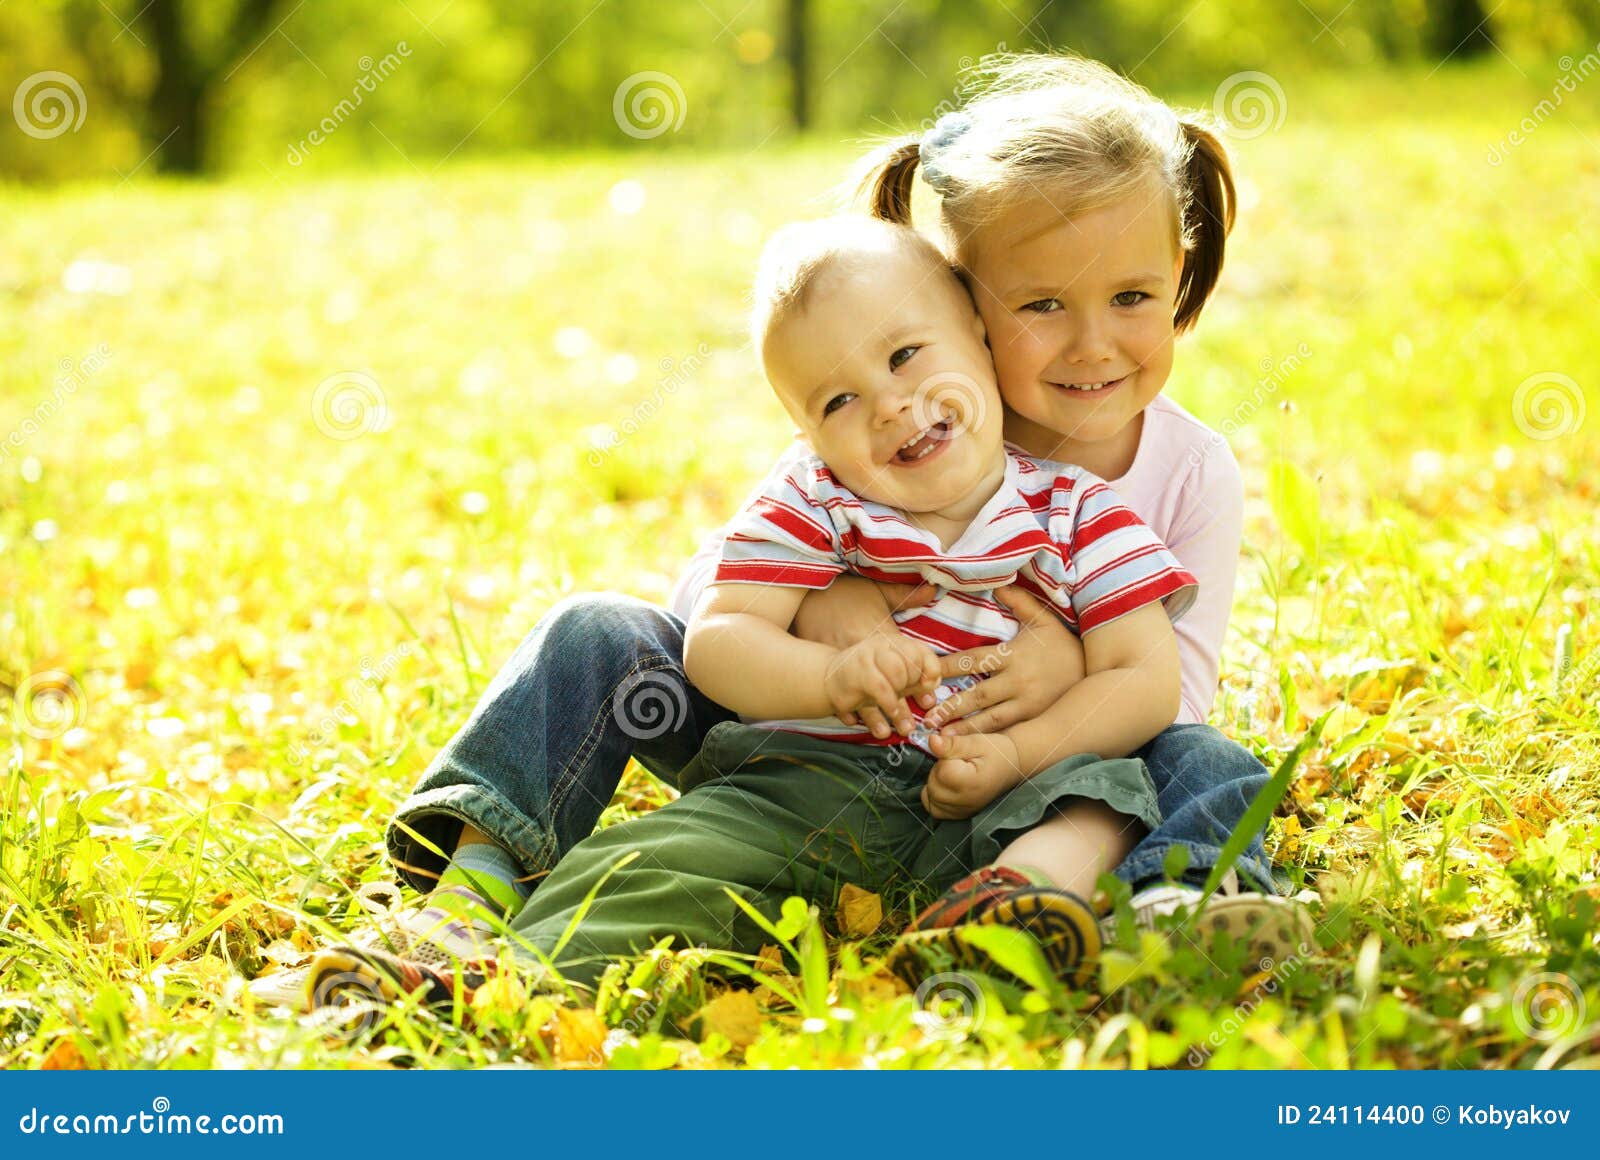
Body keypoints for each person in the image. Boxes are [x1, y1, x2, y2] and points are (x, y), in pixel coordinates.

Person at [291, 51, 1314, 1009]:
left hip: (1032, 771)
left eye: (1131, 296)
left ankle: (1144, 907)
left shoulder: (1157, 481)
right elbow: (710, 605)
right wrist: (833, 612)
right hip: (810, 734)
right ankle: (469, 886)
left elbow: (1169, 695)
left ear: (1179, 277)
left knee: (1205, 758)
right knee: (596, 630)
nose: (1091, 342)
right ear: (969, 303)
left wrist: (1055, 664)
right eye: (1041, 303)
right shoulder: (859, 442)